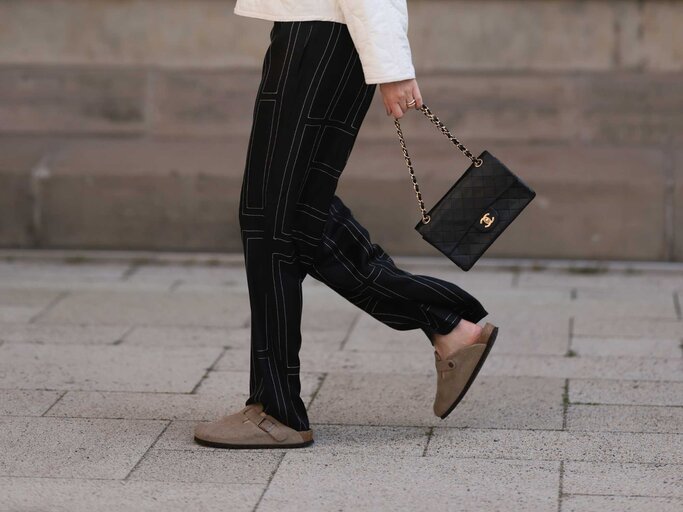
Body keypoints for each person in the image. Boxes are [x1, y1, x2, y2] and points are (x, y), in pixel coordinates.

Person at [193, 0, 498, 449]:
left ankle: (275, 411)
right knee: (292, 216)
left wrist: (392, 64)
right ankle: (448, 324)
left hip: (320, 37)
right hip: (314, 32)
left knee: (271, 216)